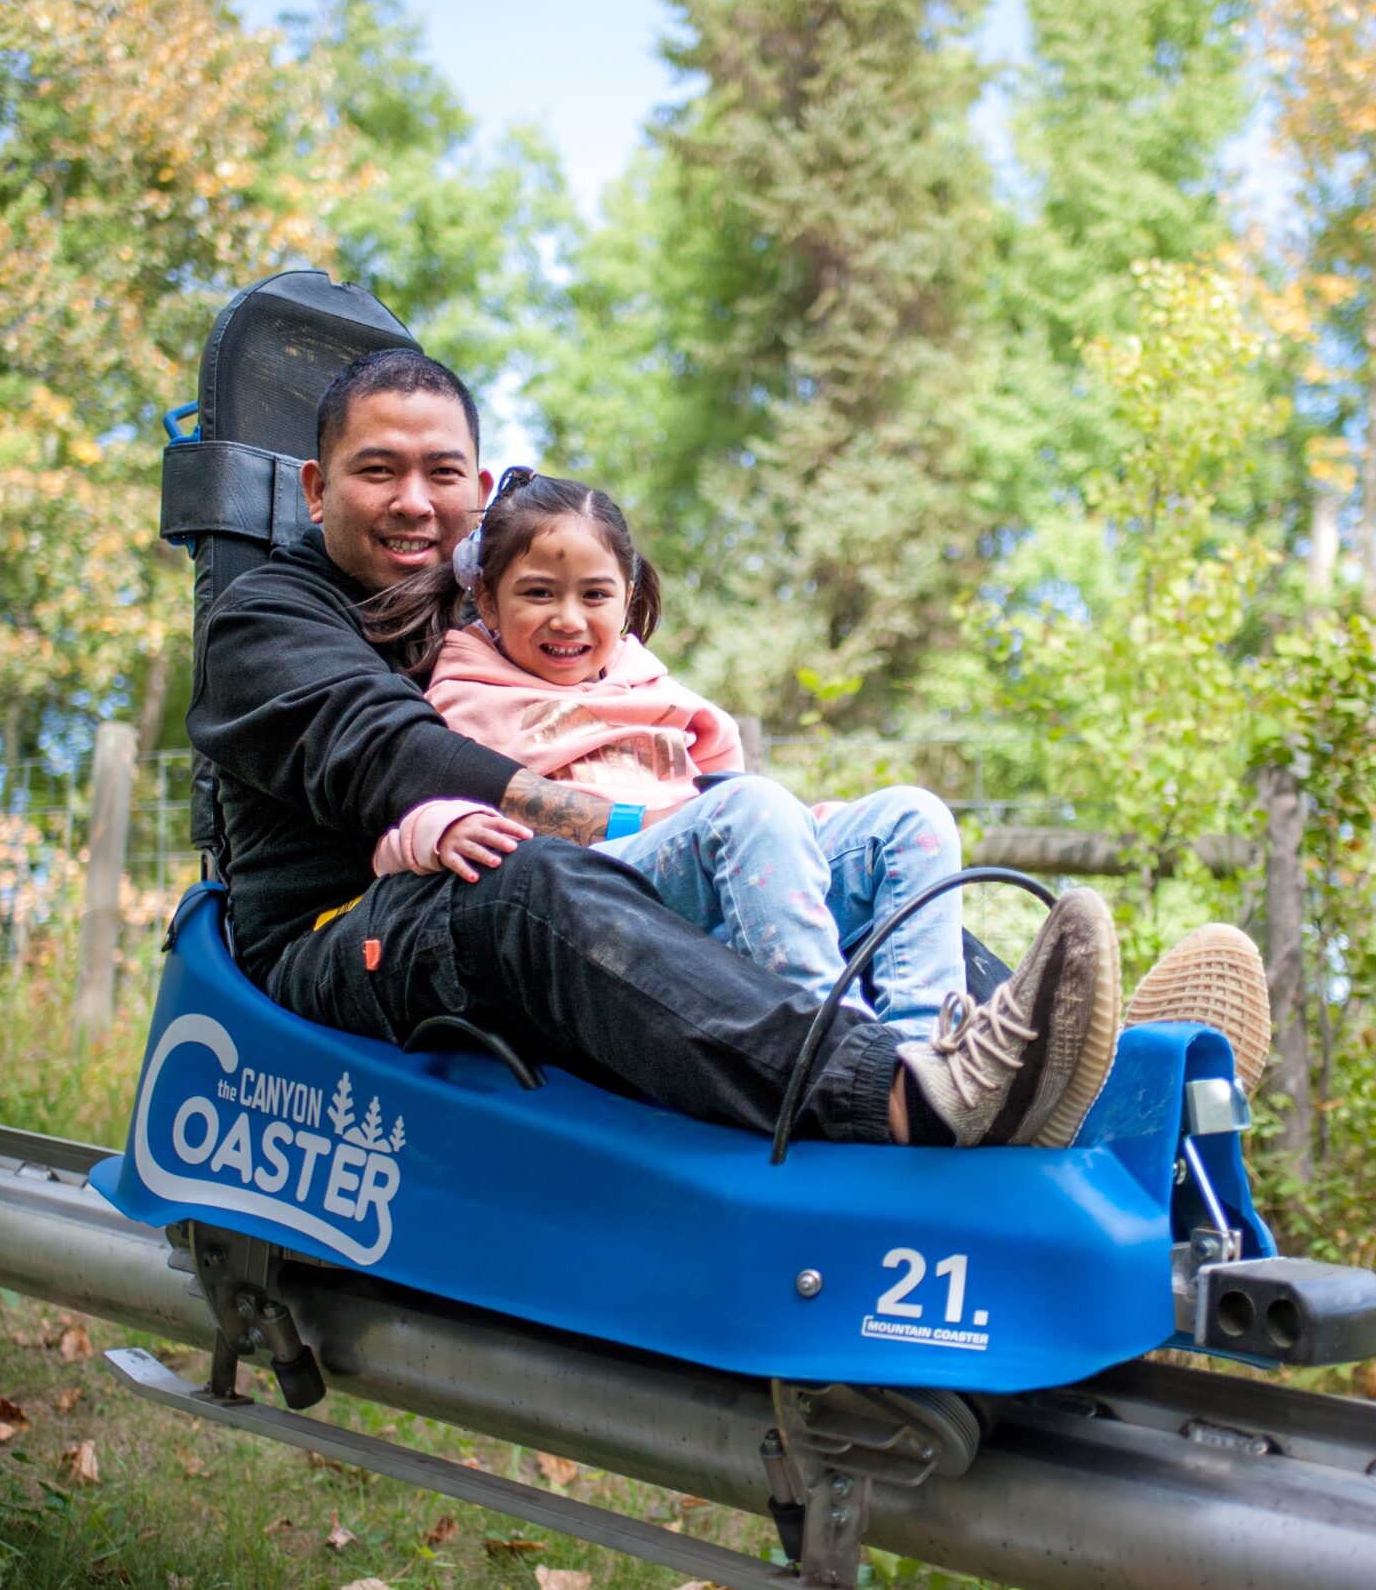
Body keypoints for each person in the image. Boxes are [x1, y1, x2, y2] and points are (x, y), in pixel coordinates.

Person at [187, 347, 1123, 1149]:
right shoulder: (267, 618)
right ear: (316, 490)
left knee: (863, 842)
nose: (413, 503)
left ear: (480, 490)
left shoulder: (502, 608)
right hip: (343, 934)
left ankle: (1091, 1071)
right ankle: (884, 1090)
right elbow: (394, 761)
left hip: (523, 879)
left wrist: (761, 826)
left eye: (441, 473)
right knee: (532, 877)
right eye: (377, 471)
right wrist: (661, 822)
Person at [359, 467, 970, 1040]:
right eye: (539, 594)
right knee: (750, 805)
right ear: (488, 602)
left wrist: (803, 830)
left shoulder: (654, 691)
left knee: (910, 817)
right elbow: (405, 823)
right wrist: (440, 829)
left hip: (719, 877)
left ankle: (924, 1041)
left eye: (594, 595)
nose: (568, 619)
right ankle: (831, 1042)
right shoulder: (469, 696)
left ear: (626, 600)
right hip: (597, 897)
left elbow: (728, 807)